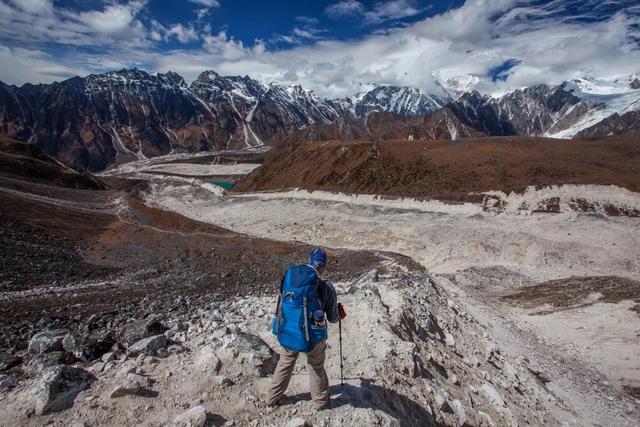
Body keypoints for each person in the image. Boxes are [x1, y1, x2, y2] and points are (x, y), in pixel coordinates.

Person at [266, 247, 346, 411]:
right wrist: (340, 313)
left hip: (288, 331)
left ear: (309, 260)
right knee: (316, 366)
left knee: (285, 362)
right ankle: (321, 402)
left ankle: (271, 398)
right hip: (313, 336)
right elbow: (332, 318)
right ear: (323, 266)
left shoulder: (291, 278)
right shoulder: (325, 286)